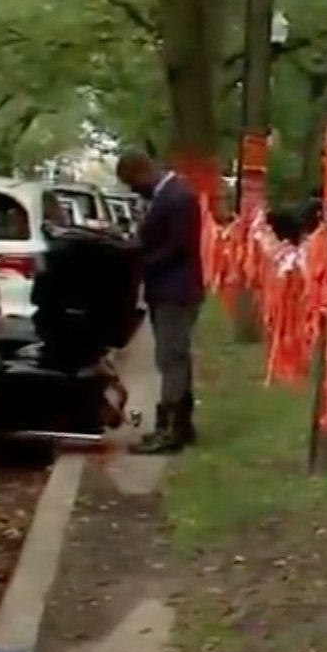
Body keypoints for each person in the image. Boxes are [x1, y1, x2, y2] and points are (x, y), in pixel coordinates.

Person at [116, 149, 204, 454]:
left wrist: (139, 262)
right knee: (174, 356)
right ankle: (181, 424)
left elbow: (176, 247)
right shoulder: (168, 197)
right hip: (167, 288)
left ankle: (170, 429)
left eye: (133, 183)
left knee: (171, 358)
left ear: (143, 171)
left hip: (175, 290)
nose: (134, 190)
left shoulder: (177, 198)